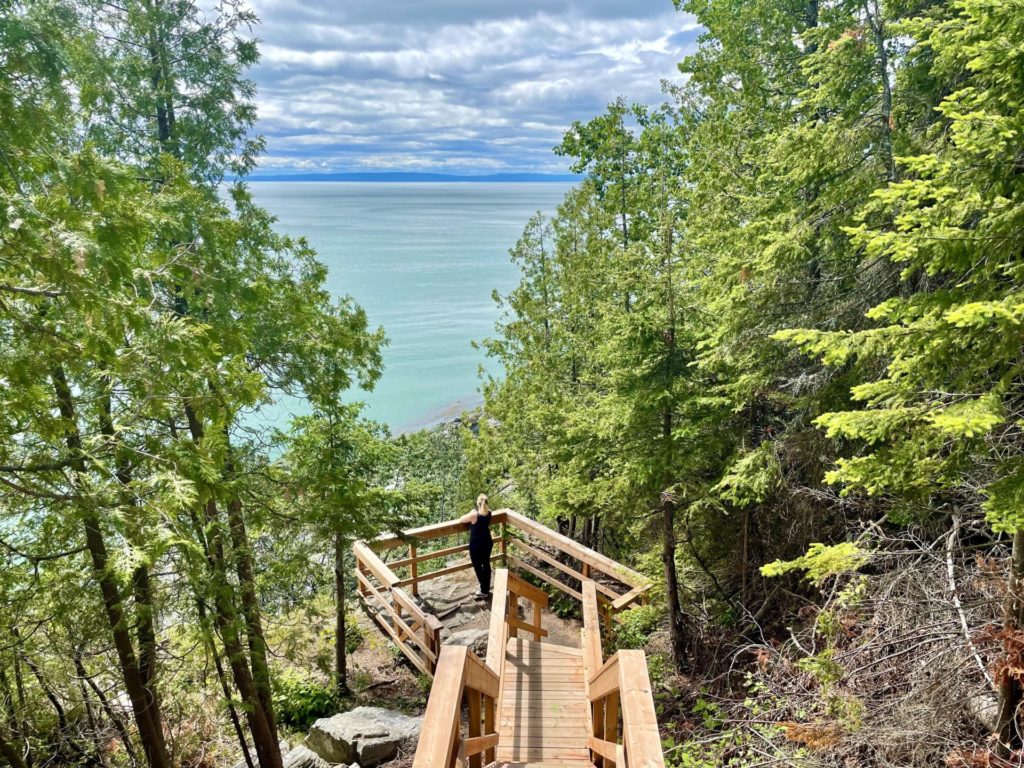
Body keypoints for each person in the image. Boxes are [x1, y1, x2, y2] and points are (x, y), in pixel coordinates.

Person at [461, 493, 493, 598]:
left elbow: (461, 520)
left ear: (477, 504)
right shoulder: (489, 513)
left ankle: (484, 590)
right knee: (486, 564)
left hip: (477, 545)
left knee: (478, 566)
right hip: (487, 542)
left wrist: (471, 512)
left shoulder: (474, 515)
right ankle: (485, 587)